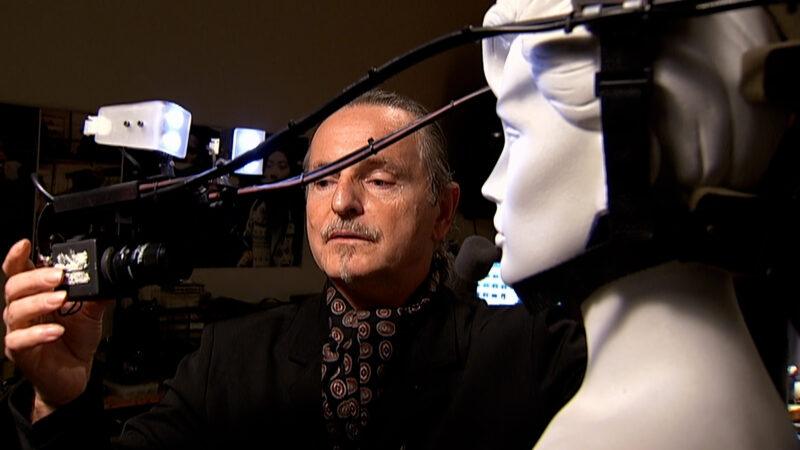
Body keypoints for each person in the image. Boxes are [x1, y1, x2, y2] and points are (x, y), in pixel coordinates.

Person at [3, 90, 586, 449]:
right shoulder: (227, 361)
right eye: (322, 181)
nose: (342, 203)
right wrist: (58, 402)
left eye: (380, 180)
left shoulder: (530, 352)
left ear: (443, 212)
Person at [480, 0, 798, 449]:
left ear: (630, 145)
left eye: (515, 135)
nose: (491, 186)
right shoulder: (737, 399)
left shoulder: (609, 436)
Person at [237, 148, 302, 267]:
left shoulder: (297, 211)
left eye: (282, 167)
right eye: (269, 166)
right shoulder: (256, 206)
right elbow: (246, 241)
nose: (273, 173)